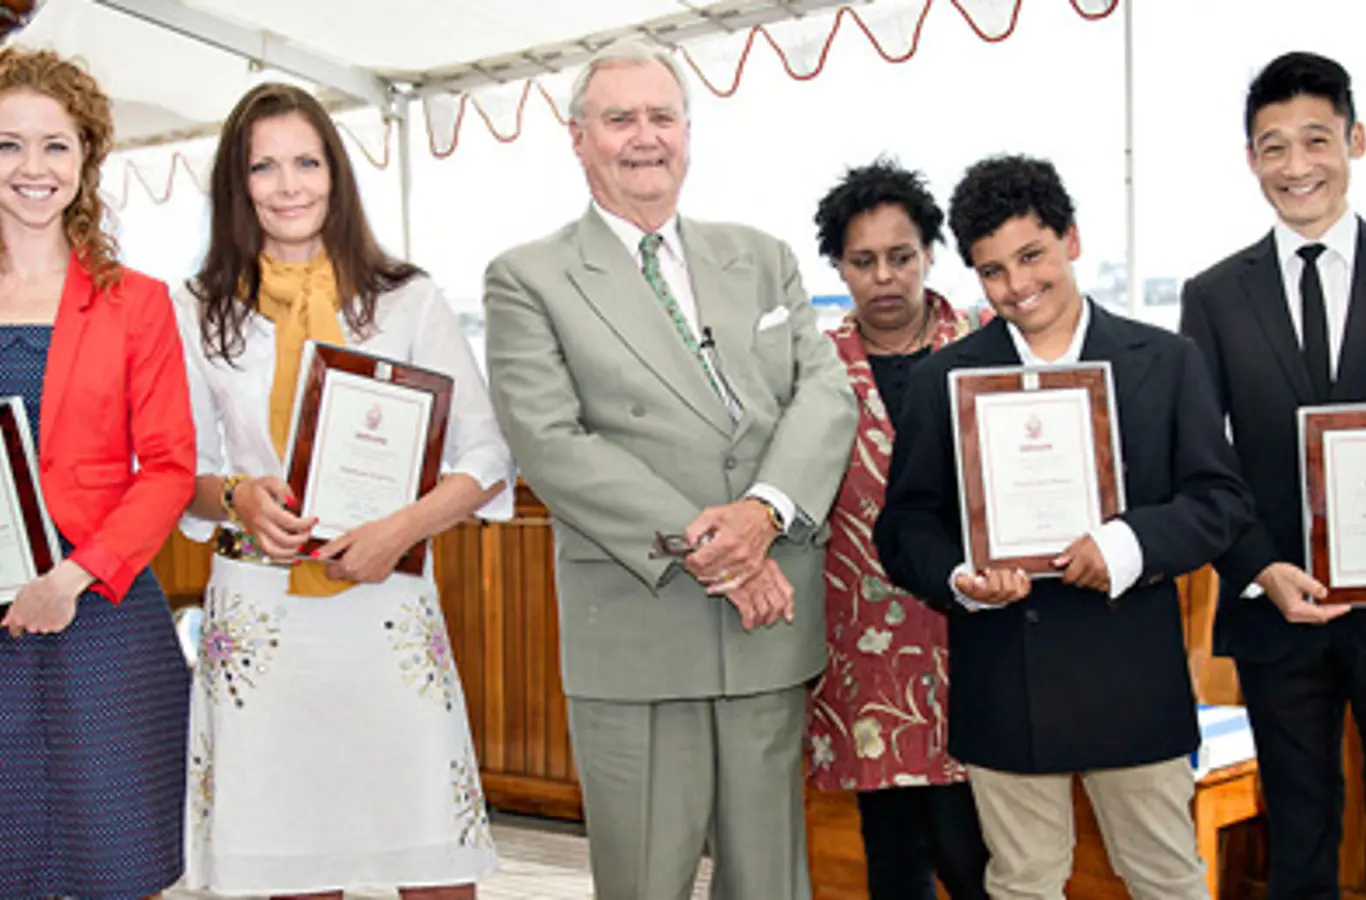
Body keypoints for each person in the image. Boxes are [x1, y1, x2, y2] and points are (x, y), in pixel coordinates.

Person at [483, 37, 857, 900]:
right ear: (578, 138)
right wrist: (720, 549)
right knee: (646, 882)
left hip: (769, 622)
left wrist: (763, 514)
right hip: (640, 626)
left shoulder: (763, 256)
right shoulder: (529, 278)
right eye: (620, 119)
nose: (644, 137)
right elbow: (551, 442)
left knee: (771, 884)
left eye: (662, 116)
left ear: (688, 132)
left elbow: (826, 395)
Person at [874, 154, 1255, 900]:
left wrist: (1126, 544)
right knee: (1021, 883)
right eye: (992, 272)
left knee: (1168, 880)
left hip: (1133, 678)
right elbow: (905, 525)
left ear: (1071, 239)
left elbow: (1220, 499)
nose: (1017, 287)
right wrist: (961, 577)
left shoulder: (1168, 360)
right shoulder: (942, 378)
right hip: (1003, 671)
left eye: (1031, 257)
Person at [174, 82, 514, 898]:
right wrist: (239, 498)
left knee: (432, 861)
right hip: (263, 616)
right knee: (296, 868)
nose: (288, 186)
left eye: (307, 161)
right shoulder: (196, 309)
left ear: (336, 172)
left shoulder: (406, 298)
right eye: (264, 166)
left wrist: (403, 527)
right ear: (236, 183)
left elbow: (487, 453)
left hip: (385, 608)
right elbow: (181, 472)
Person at [0, 47, 196, 899]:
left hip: (102, 613)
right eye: (7, 145)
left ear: (87, 160)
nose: (32, 169)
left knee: (120, 861)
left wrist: (73, 576)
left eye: (55, 145)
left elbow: (169, 469)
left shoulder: (137, 302)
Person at [1181, 50, 1366, 900]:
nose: (1297, 167)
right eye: (1274, 147)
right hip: (1274, 606)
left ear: (1355, 142)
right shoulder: (1214, 296)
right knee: (1299, 826)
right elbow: (1202, 458)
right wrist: (1257, 566)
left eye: (1315, 140)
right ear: (1251, 158)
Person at [806, 158, 988, 900]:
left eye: (901, 256)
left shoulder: (985, 344)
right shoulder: (814, 368)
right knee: (892, 856)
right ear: (840, 267)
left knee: (974, 853)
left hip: (974, 637)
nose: (885, 277)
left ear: (930, 254)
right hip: (866, 651)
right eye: (863, 260)